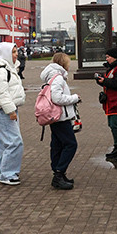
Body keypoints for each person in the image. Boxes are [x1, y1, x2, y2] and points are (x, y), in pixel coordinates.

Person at [40, 52, 81, 190]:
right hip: (60, 117)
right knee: (71, 144)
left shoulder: (51, 76)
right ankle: (58, 173)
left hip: (55, 117)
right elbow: (57, 98)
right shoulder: (58, 78)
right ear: (63, 63)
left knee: (57, 144)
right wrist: (74, 98)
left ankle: (58, 172)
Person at [0, 42, 26, 185]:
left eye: (16, 51)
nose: (16, 55)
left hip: (5, 109)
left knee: (6, 143)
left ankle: (2, 172)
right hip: (4, 111)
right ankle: (8, 174)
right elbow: (2, 93)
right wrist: (10, 111)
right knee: (15, 142)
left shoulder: (5, 67)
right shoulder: (1, 70)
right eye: (13, 52)